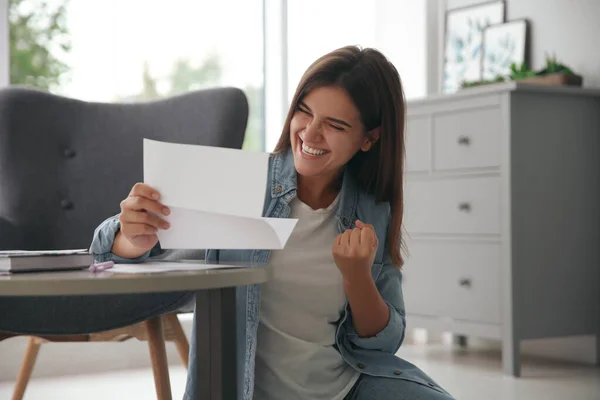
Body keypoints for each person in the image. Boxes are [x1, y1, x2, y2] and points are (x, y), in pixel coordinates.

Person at [90, 46, 455, 400]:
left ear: (368, 139)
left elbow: (383, 342)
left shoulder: (374, 211)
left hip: (349, 388)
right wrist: (132, 237)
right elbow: (111, 254)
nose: (310, 134)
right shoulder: (244, 183)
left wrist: (357, 277)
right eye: (304, 111)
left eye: (335, 125)